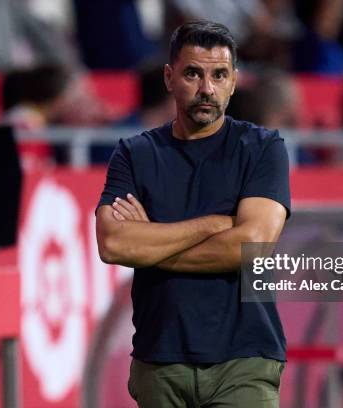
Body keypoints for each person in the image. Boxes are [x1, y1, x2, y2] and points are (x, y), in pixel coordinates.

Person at [96, 20, 290, 408]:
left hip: (245, 361)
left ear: (234, 81)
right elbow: (114, 243)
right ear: (169, 78)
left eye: (219, 75)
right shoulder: (135, 153)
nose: (207, 88)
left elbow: (250, 246)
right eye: (193, 74)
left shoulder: (263, 148)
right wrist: (212, 225)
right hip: (160, 360)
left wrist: (151, 242)